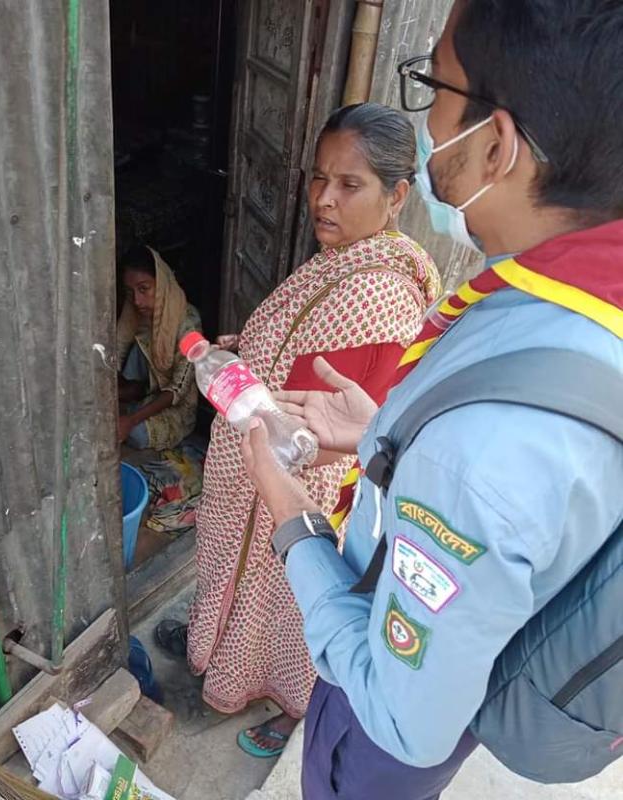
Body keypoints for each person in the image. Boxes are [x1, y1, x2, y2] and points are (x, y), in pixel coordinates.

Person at [240, 1, 623, 797]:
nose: (425, 115)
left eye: (432, 84)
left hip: (389, 719)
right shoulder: (563, 305)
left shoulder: (483, 451)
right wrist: (387, 438)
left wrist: (292, 522)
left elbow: (403, 718)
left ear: (494, 144)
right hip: (472, 639)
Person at [157, 104, 441, 757]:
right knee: (233, 579)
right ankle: (215, 654)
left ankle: (290, 707)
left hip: (300, 480)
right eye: (318, 179)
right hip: (269, 456)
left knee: (285, 605)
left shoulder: (375, 289)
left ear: (395, 195)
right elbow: (288, 356)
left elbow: (319, 409)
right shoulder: (353, 256)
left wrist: (244, 392)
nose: (323, 199)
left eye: (349, 185)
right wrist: (230, 355)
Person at [117, 245, 201, 450]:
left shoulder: (188, 323)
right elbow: (115, 352)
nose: (137, 300)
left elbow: (177, 390)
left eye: (144, 289)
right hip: (148, 392)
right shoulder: (135, 313)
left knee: (137, 435)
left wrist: (131, 420)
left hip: (176, 407)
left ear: (161, 284)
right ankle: (133, 392)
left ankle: (133, 402)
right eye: (131, 292)